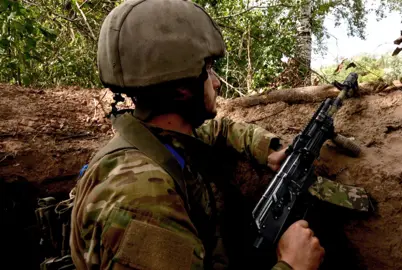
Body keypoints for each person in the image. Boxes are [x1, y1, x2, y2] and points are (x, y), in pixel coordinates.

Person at [70, 0, 325, 269]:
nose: (215, 82)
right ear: (182, 87)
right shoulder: (145, 197)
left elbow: (219, 129)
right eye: (207, 70)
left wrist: (268, 151)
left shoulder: (154, 138)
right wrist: (292, 265)